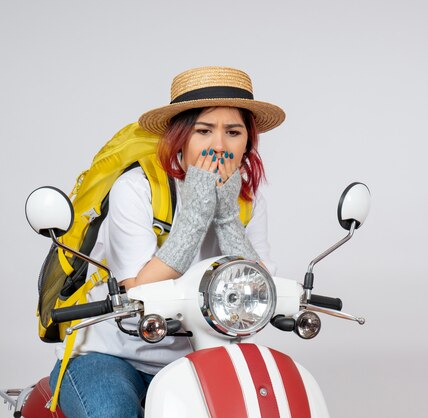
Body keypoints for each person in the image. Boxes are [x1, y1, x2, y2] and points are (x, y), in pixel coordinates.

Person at [49, 66, 285, 418]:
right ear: (180, 136)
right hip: (108, 353)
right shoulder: (137, 187)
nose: (219, 145)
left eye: (233, 132)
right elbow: (138, 292)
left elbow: (257, 287)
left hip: (196, 356)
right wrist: (195, 215)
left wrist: (224, 216)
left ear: (248, 141)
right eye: (203, 130)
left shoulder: (248, 201)